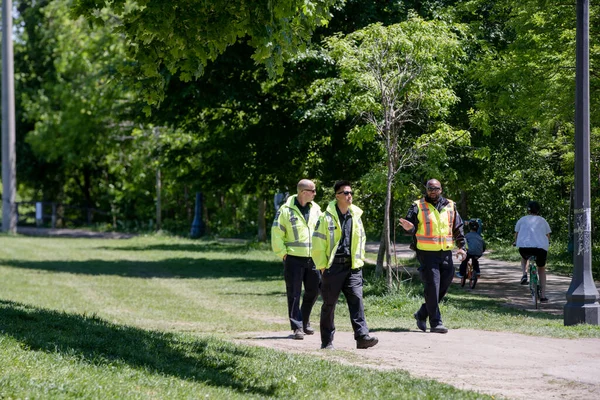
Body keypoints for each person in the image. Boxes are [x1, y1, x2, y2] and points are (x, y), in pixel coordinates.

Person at [312, 180, 378, 350]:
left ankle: (362, 337)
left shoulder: (356, 215)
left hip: (353, 267)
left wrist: (360, 260)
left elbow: (361, 239)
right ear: (337, 196)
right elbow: (318, 243)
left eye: (351, 193)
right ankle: (327, 341)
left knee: (356, 300)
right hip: (332, 267)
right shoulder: (325, 217)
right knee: (329, 304)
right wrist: (322, 266)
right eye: (346, 193)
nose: (350, 196)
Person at [399, 179, 466, 334]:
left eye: (436, 189)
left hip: (446, 252)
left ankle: (422, 313)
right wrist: (409, 228)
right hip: (426, 253)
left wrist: (462, 247)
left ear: (441, 189)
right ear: (426, 190)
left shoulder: (451, 205)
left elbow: (458, 227)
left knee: (445, 284)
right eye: (430, 189)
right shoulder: (417, 206)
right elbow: (409, 226)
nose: (433, 191)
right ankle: (436, 323)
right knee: (432, 286)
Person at [271, 179, 322, 340]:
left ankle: (304, 321)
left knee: (314, 290)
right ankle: (297, 326)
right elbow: (276, 233)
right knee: (293, 293)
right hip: (293, 258)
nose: (315, 193)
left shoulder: (316, 209)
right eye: (312, 190)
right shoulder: (285, 210)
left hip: (313, 258)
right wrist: (283, 254)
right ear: (303, 192)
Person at [514, 201, 551, 303]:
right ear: (538, 210)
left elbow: (516, 234)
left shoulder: (522, 219)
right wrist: (548, 242)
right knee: (541, 269)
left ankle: (524, 273)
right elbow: (548, 235)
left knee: (524, 258)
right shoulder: (543, 221)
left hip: (524, 249)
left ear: (528, 210)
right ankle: (543, 295)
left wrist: (515, 242)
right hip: (540, 249)